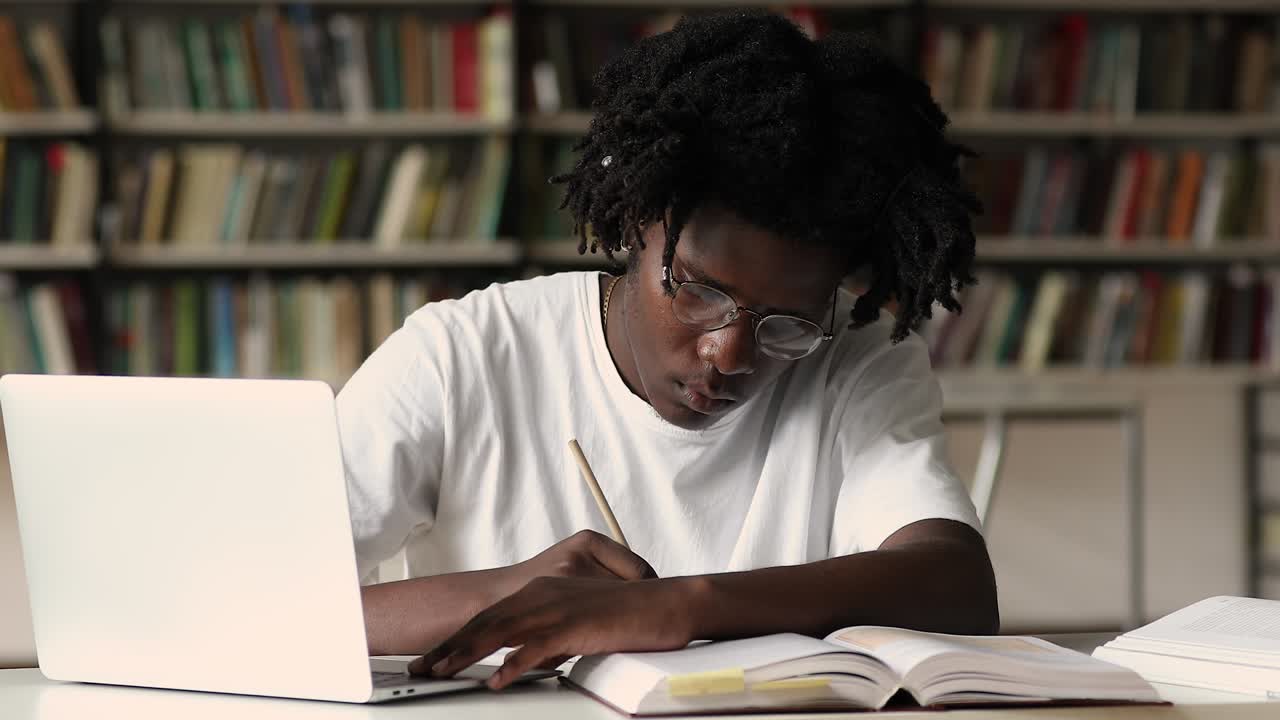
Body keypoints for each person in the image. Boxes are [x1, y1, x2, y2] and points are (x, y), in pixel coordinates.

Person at [338, 9, 998, 690]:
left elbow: (957, 587)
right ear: (636, 222)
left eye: (788, 323)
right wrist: (503, 595)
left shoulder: (859, 364)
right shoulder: (463, 357)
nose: (731, 353)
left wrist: (675, 606)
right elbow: (243, 601)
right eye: (700, 292)